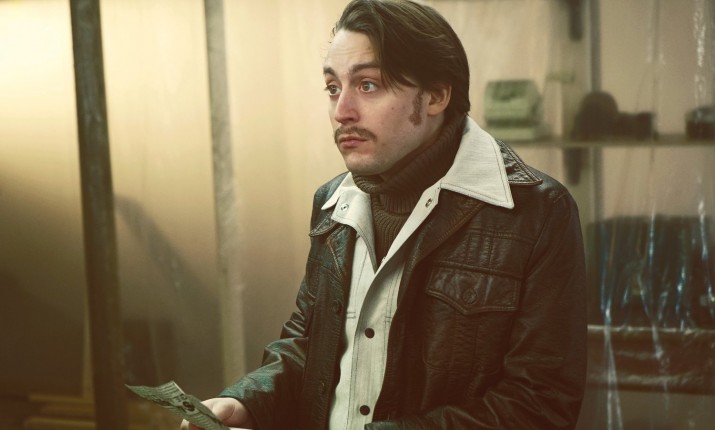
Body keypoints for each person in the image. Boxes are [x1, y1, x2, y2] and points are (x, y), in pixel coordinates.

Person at [182, 0, 587, 429]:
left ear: (436, 95)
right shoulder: (333, 202)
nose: (342, 111)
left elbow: (539, 405)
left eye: (368, 85)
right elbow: (308, 347)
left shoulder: (537, 212)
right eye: (333, 87)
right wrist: (246, 402)